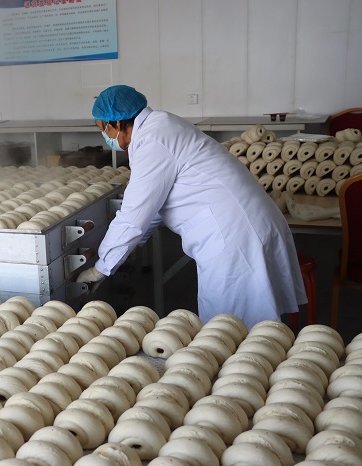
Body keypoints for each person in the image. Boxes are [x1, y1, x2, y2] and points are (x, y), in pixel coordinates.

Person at [76, 85, 307, 329]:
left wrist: (102, 267)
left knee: (230, 329)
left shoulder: (153, 141)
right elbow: (154, 205)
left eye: (103, 129)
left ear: (116, 123)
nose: (105, 137)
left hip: (233, 234)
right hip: (249, 220)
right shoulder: (161, 125)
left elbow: (134, 215)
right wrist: (127, 248)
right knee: (246, 325)